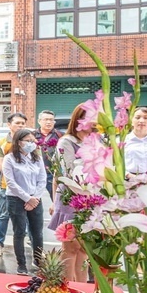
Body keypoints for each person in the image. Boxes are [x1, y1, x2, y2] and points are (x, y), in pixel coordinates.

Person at [50, 103, 90, 282]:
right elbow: (65, 175)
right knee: (71, 247)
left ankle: (83, 289)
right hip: (72, 200)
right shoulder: (66, 142)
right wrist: (88, 195)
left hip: (90, 202)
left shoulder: (97, 141)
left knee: (84, 249)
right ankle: (66, 289)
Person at [3, 127, 46, 275]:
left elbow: (42, 180)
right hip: (16, 199)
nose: (31, 143)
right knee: (19, 232)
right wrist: (27, 198)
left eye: (33, 141)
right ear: (19, 142)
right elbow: (11, 182)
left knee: (37, 232)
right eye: (28, 141)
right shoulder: (10, 159)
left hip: (35, 198)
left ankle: (39, 260)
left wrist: (35, 198)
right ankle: (21, 264)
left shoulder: (37, 158)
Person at [0, 112, 28, 260]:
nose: (20, 126)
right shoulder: (2, 142)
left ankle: (33, 246)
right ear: (9, 125)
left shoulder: (30, 142)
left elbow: (35, 163)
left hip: (27, 188)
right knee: (4, 215)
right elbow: (1, 166)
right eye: (17, 123)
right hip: (7, 186)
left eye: (22, 123)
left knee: (28, 218)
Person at [34, 110, 61, 200]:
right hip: (35, 172)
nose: (49, 122)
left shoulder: (60, 135)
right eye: (46, 119)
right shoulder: (32, 135)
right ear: (39, 121)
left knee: (57, 198)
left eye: (51, 120)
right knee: (33, 199)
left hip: (52, 173)